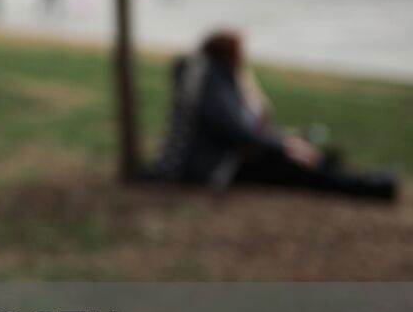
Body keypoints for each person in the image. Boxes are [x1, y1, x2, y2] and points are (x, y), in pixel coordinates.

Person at [150, 30, 398, 199]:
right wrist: (283, 146)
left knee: (302, 156)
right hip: (214, 169)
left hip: (226, 161)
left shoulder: (216, 79)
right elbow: (238, 130)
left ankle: (359, 177)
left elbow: (259, 116)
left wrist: (283, 142)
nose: (243, 59)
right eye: (240, 54)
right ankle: (370, 187)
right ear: (229, 55)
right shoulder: (211, 82)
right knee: (296, 167)